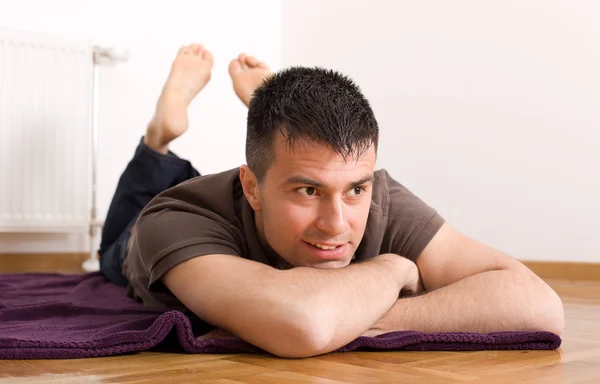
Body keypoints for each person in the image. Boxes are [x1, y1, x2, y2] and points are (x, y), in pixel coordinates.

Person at [99, 44, 564, 358]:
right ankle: (159, 138)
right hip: (141, 237)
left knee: (298, 160)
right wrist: (392, 269)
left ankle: (270, 109)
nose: (337, 224)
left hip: (256, 184)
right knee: (112, 248)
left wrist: (360, 311)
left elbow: (539, 307)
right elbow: (304, 323)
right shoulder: (175, 218)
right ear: (253, 187)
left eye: (355, 189)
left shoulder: (375, 194)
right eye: (309, 191)